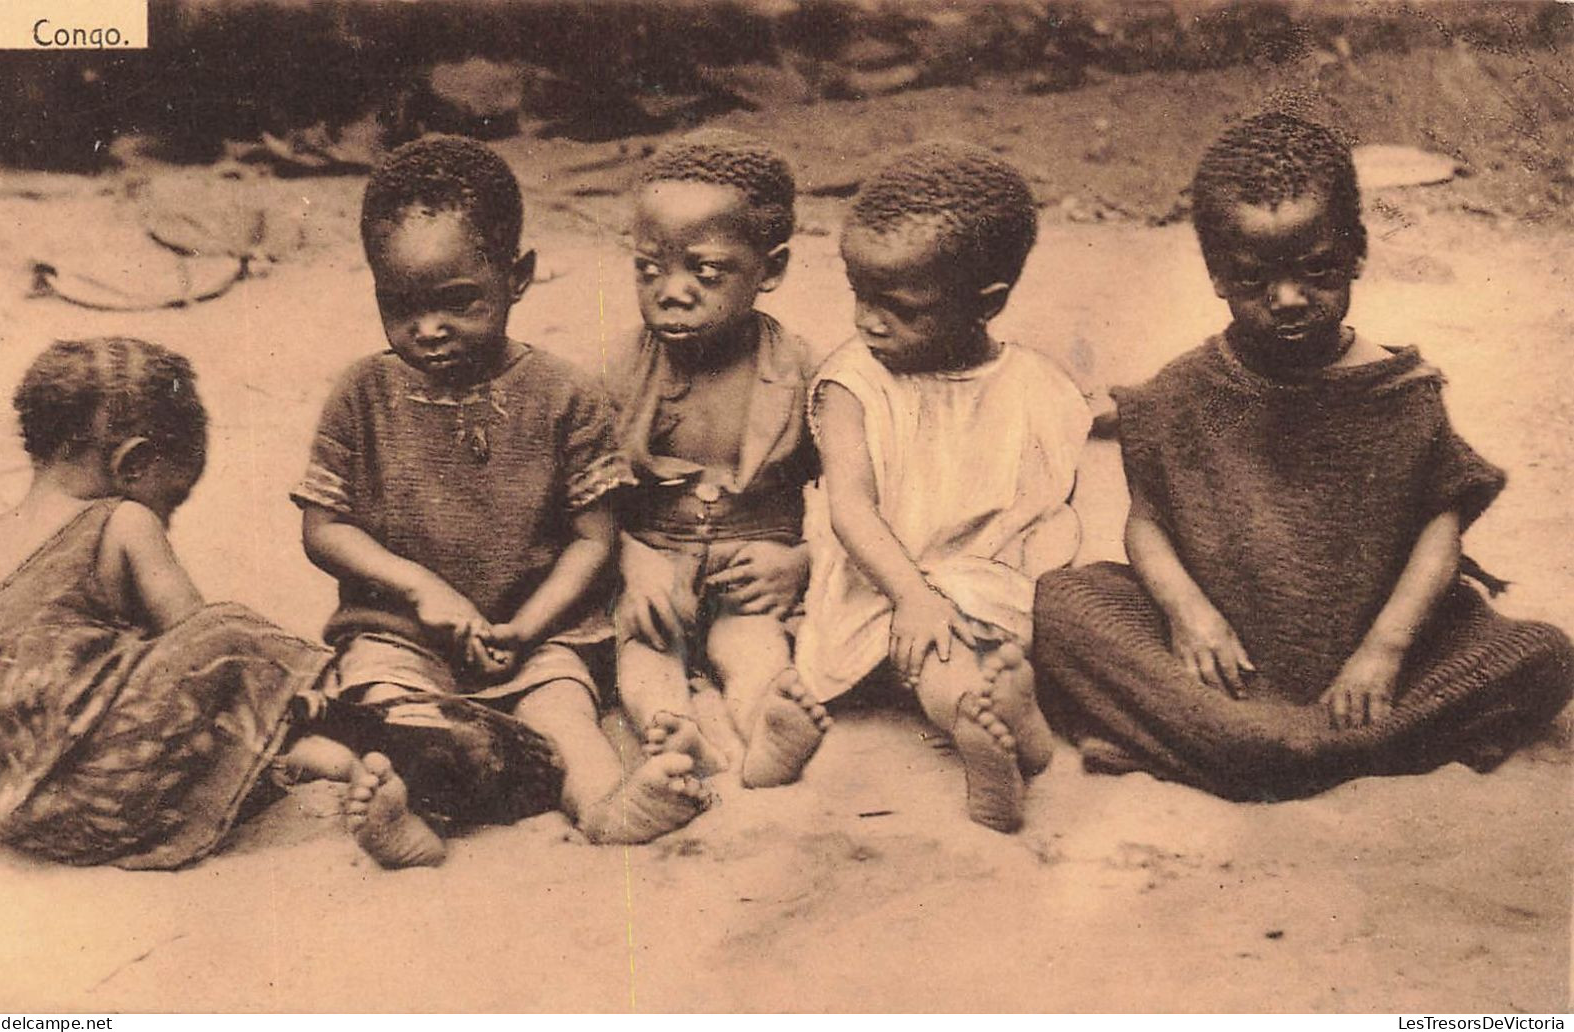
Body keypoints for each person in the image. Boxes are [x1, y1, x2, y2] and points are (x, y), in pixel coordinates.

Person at [1032, 112, 1574, 799]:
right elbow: (1147, 521)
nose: (1287, 299)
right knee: (1056, 604)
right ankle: (1311, 747)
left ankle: (1257, 748)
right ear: (1217, 275)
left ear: (1356, 253)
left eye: (1316, 271)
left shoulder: (1397, 392)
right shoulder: (1181, 394)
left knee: (1544, 656)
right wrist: (1186, 614)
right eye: (1255, 277)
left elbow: (1440, 527)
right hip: (1225, 659)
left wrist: (1384, 650)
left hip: (1372, 654)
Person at [293, 136, 708, 864]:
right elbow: (324, 528)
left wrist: (525, 626)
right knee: (393, 710)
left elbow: (593, 538)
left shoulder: (563, 395)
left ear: (517, 277)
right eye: (400, 306)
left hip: (536, 635)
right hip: (399, 632)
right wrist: (418, 590)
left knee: (566, 717)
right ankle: (406, 817)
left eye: (457, 302)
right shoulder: (363, 392)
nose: (427, 330)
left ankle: (607, 806)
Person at [0, 338, 359, 869]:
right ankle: (329, 748)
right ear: (134, 463)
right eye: (170, 499)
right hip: (99, 792)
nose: (165, 521)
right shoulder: (121, 520)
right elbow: (198, 641)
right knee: (230, 638)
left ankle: (302, 758)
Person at [792, 141, 1092, 832]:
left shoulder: (1030, 384)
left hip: (984, 579)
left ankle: (1016, 719)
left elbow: (1043, 508)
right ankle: (983, 726)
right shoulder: (853, 383)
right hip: (880, 582)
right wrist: (914, 596)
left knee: (1000, 619)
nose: (869, 321)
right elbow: (850, 509)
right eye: (859, 294)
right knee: (939, 652)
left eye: (900, 307)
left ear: (984, 303)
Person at [604, 129, 827, 786]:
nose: (672, 290)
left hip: (749, 576)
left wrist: (800, 560)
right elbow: (580, 496)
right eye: (649, 268)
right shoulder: (619, 370)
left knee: (753, 648)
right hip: (652, 575)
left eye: (705, 271)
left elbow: (855, 493)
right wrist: (634, 563)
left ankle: (767, 731)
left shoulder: (801, 373)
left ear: (772, 268)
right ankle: (677, 732)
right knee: (644, 656)